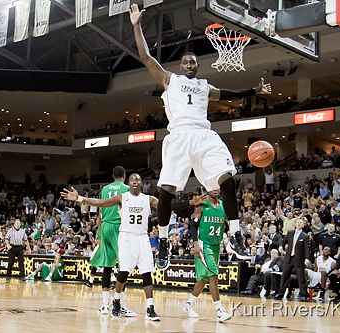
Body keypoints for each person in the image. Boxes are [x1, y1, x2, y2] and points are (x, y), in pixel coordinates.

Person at [129, 4, 270, 269]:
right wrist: (136, 25)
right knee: (166, 192)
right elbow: (146, 57)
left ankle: (236, 234)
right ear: (181, 66)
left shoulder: (206, 87)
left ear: (198, 65)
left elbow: (228, 93)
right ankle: (160, 244)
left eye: (193, 62)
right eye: (186, 62)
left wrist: (253, 90)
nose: (190, 64)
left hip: (204, 135)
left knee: (227, 182)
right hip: (180, 136)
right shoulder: (170, 80)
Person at [61, 174, 182, 321]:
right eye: (132, 180)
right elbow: (100, 202)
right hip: (126, 237)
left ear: (141, 182)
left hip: (142, 237)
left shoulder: (147, 198)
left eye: (138, 179)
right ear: (128, 183)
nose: (135, 182)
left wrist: (190, 202)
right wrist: (80, 198)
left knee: (147, 273)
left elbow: (166, 205)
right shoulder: (122, 197)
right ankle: (116, 301)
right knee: (123, 272)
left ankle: (150, 308)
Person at [182, 189, 233, 322]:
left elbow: (229, 224)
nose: (215, 189)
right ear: (208, 189)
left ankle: (189, 305)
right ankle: (219, 311)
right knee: (213, 276)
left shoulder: (223, 205)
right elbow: (193, 225)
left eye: (217, 187)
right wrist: (195, 244)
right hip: (204, 245)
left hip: (216, 245)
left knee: (203, 279)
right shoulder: (202, 205)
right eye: (212, 187)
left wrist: (230, 240)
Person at [87, 166, 132, 315]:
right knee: (123, 266)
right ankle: (121, 304)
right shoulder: (127, 189)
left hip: (105, 226)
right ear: (124, 176)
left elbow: (99, 215)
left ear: (113, 176)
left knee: (107, 266)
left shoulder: (104, 189)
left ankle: (104, 305)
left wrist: (99, 235)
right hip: (119, 227)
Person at [274, 218, 310, 301]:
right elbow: (283, 241)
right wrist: (280, 246)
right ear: (295, 224)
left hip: (299, 259)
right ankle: (280, 294)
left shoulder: (305, 236)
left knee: (301, 278)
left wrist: (307, 258)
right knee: (284, 277)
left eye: (301, 222)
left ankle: (304, 294)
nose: (299, 223)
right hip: (289, 258)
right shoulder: (290, 233)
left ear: (303, 225)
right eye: (297, 222)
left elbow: (307, 249)